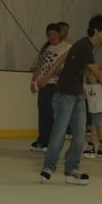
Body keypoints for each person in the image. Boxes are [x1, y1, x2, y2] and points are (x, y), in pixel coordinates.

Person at [35, 14, 102, 185]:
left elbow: (61, 58)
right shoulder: (84, 46)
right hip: (64, 94)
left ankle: (71, 170)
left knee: (79, 135)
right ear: (97, 31)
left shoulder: (81, 45)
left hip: (78, 94)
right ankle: (48, 167)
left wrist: (46, 76)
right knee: (59, 132)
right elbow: (96, 71)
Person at [30, 23, 71, 153]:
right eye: (49, 34)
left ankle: (51, 142)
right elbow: (40, 65)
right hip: (44, 85)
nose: (51, 36)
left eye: (54, 33)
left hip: (56, 85)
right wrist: (33, 82)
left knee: (52, 114)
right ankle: (42, 140)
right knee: (43, 112)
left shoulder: (66, 47)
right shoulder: (47, 48)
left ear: (59, 34)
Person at [83, 71, 102, 158]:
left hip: (101, 110)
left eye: (93, 76)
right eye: (89, 76)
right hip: (92, 111)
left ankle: (92, 146)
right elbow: (83, 87)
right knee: (94, 128)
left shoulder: (101, 87)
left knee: (95, 127)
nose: (90, 77)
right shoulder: (87, 86)